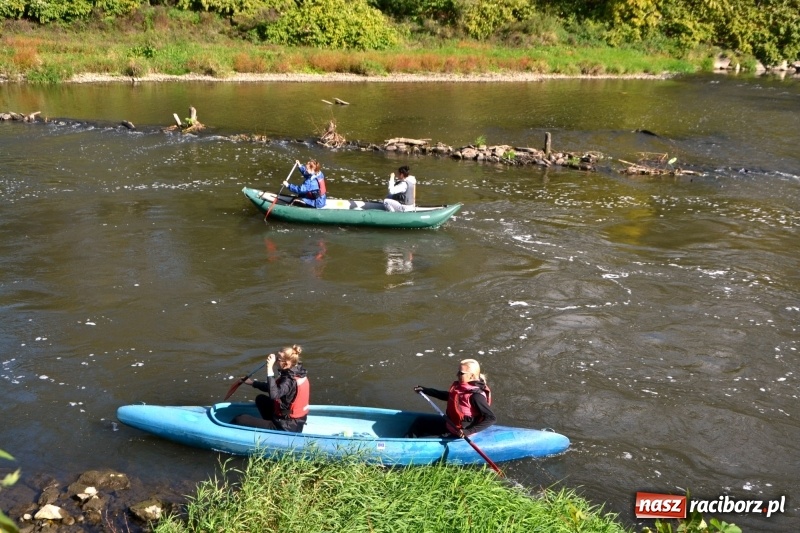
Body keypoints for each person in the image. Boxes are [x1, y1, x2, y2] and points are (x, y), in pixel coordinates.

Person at [406, 358, 496, 438]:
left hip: (458, 433)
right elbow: (450, 396)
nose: (457, 374)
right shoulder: (462, 387)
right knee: (420, 422)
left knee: (424, 440)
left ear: (471, 376)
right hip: (449, 424)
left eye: (461, 373)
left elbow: (491, 418)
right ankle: (407, 442)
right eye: (458, 371)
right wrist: (425, 390)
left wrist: (468, 431)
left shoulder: (476, 396)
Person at [232, 345, 310, 432]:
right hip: (291, 420)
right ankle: (268, 424)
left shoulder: (289, 381)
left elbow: (274, 394)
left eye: (278, 359)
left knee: (239, 419)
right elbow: (275, 388)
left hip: (287, 426)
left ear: (286, 363)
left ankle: (272, 429)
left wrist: (269, 369)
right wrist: (253, 383)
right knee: (260, 399)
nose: (276, 361)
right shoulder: (295, 371)